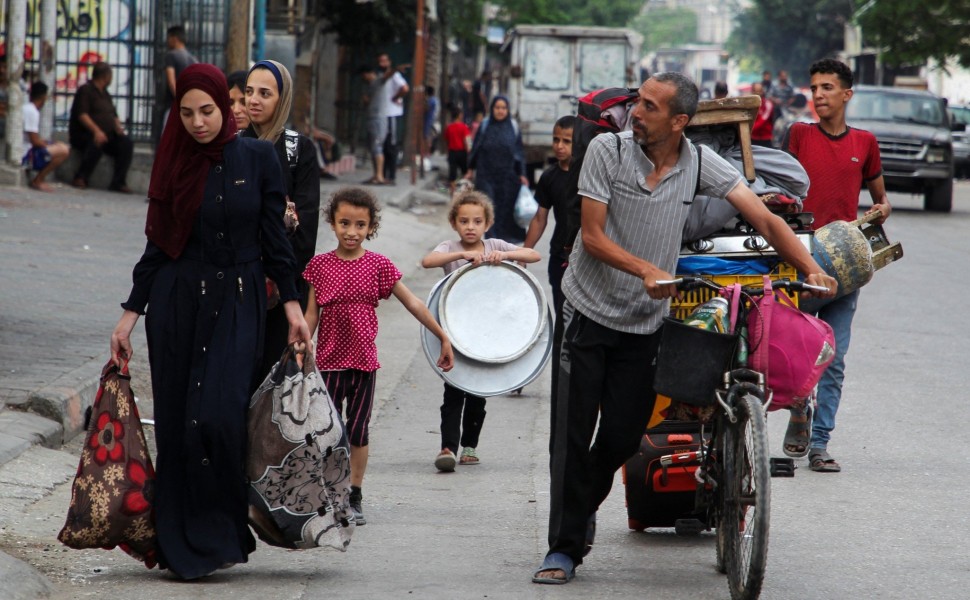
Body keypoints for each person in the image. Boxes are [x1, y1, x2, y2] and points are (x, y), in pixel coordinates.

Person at [531, 71, 837, 585]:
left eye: (650, 107)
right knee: (572, 435)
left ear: (679, 121)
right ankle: (563, 548)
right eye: (638, 103)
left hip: (643, 324)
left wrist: (808, 267)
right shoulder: (609, 150)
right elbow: (592, 236)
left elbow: (763, 218)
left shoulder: (698, 161)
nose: (637, 114)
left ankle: (578, 505)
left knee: (624, 436)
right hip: (587, 312)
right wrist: (647, 269)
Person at [109, 63, 311, 579]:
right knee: (179, 423)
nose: (199, 122)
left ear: (226, 107)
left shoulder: (259, 157)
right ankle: (179, 543)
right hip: (177, 303)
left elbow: (275, 242)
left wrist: (292, 308)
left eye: (208, 110)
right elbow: (157, 245)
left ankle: (221, 528)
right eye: (188, 113)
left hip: (238, 299)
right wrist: (129, 317)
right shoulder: (175, 162)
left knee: (219, 418)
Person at [304, 186, 455, 523]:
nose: (351, 232)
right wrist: (300, 346)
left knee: (358, 432)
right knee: (328, 432)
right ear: (332, 223)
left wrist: (442, 335)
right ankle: (330, 492)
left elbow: (413, 302)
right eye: (344, 223)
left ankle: (354, 494)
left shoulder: (378, 266)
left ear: (370, 227)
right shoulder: (319, 266)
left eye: (360, 225)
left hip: (363, 364)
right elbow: (310, 315)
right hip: (327, 364)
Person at [781, 58, 891, 473]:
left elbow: (880, 199)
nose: (819, 95)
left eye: (827, 88)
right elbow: (779, 189)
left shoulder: (865, 143)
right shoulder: (798, 135)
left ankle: (820, 443)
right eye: (814, 88)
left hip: (846, 266)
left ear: (847, 94)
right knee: (797, 352)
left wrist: (881, 209)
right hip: (801, 260)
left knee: (835, 357)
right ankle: (797, 409)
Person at [421, 191, 540, 472]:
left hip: (486, 334)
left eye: (477, 221)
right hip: (454, 333)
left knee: (478, 392)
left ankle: (470, 446)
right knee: (452, 392)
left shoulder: (494, 244)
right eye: (464, 221)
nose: (470, 226)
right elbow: (427, 261)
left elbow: (533, 254)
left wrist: (505, 254)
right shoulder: (450, 247)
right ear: (454, 223)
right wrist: (461, 254)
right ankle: (447, 447)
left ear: (487, 223)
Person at [242, 60, 321, 384]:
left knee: (274, 380)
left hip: (283, 289)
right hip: (237, 284)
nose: (253, 100)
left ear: (282, 98)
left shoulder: (298, 150)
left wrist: (278, 278)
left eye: (265, 93)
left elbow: (306, 230)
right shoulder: (232, 148)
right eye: (248, 92)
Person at [523, 115, 574, 407]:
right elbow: (540, 217)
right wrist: (523, 254)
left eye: (566, 141)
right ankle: (561, 382)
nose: (559, 146)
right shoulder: (550, 177)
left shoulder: (586, 176)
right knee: (562, 319)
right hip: (559, 258)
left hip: (586, 259)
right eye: (556, 140)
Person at [467, 96, 528, 243]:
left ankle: (503, 248)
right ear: (492, 109)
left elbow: (519, 152)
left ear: (507, 110)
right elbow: (476, 147)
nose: (500, 111)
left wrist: (522, 174)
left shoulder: (513, 127)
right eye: (497, 107)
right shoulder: (485, 125)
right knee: (489, 209)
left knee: (504, 212)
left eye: (503, 108)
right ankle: (490, 243)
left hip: (508, 177)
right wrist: (470, 169)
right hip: (486, 175)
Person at [68, 61, 134, 193]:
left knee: (126, 144)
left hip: (107, 133)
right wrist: (97, 131)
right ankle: (81, 177)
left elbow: (113, 115)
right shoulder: (86, 90)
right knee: (97, 141)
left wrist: (118, 127)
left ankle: (118, 182)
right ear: (105, 76)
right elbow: (82, 115)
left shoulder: (105, 94)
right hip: (84, 134)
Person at [22, 82, 69, 191]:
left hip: (26, 148)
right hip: (26, 154)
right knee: (64, 150)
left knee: (58, 145)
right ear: (43, 97)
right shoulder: (32, 111)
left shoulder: (26, 108)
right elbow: (34, 141)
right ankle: (38, 180)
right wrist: (47, 144)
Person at [377, 53, 409, 184]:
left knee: (391, 146)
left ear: (389, 62)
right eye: (380, 61)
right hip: (383, 114)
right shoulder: (381, 76)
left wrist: (395, 98)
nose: (382, 64)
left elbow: (405, 88)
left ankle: (391, 176)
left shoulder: (394, 76)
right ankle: (383, 175)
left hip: (391, 114)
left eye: (385, 61)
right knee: (384, 146)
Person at [162, 25, 198, 127]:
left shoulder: (171, 55)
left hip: (174, 104)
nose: (168, 41)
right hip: (190, 105)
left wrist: (179, 100)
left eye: (168, 38)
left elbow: (172, 81)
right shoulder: (192, 59)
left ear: (174, 39)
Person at [359, 65, 388, 185]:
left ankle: (380, 176)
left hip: (377, 119)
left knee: (377, 147)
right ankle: (376, 174)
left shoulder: (378, 81)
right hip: (372, 119)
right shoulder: (371, 86)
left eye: (364, 76)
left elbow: (387, 75)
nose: (364, 78)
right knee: (373, 148)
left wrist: (396, 69)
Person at [443, 104, 471, 195]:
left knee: (452, 173)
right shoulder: (464, 127)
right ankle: (465, 192)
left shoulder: (449, 127)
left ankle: (452, 193)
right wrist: (469, 152)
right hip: (462, 152)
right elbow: (467, 141)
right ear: (459, 115)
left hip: (452, 152)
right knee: (465, 172)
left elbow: (446, 140)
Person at [751, 81, 776, 147]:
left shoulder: (768, 104)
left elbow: (762, 120)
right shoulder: (749, 105)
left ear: (762, 92)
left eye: (759, 91)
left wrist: (747, 130)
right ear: (752, 91)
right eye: (755, 91)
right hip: (752, 138)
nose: (757, 93)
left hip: (766, 139)